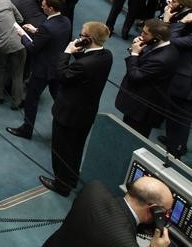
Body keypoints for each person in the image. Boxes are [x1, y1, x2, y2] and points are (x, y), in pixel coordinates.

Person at [39, 22, 112, 197]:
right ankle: (71, 178)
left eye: (82, 35)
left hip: (68, 114)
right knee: (75, 149)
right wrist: (79, 54)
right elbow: (83, 70)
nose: (78, 37)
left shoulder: (83, 65)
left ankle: (61, 184)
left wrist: (67, 53)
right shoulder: (106, 55)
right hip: (86, 113)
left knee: (62, 150)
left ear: (89, 39)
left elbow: (62, 75)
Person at [7, 0, 72, 139]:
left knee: (32, 100)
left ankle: (27, 129)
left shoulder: (47, 26)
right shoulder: (66, 21)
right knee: (59, 98)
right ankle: (67, 127)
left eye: (43, 5)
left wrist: (22, 34)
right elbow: (54, 38)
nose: (41, 6)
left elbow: (32, 48)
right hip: (58, 67)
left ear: (50, 8)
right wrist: (37, 31)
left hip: (42, 70)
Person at [43, 176, 173, 247]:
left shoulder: (93, 188)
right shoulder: (125, 243)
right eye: (165, 212)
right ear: (153, 210)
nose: (166, 216)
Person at [161, 0, 192, 157]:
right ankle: (173, 141)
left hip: (189, 83)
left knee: (181, 118)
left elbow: (173, 41)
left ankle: (176, 149)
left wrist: (181, 22)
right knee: (175, 115)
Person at [115, 19, 179, 138]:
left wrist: (134, 54)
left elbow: (135, 76)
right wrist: (137, 49)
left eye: (145, 33)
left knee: (132, 138)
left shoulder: (162, 58)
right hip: (138, 101)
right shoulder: (157, 45)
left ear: (157, 37)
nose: (141, 35)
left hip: (142, 109)